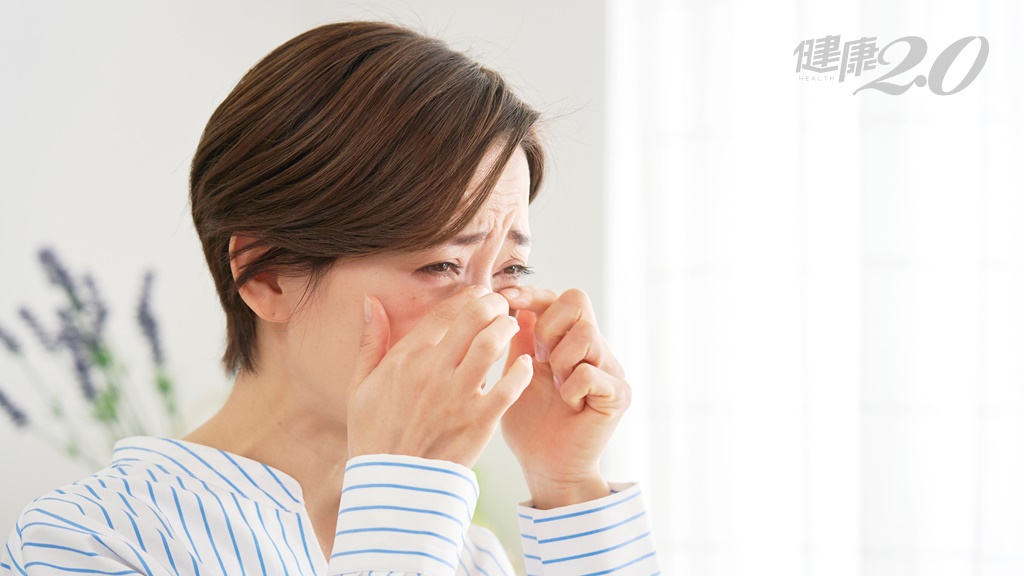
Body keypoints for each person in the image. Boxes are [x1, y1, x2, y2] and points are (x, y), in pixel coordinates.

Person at [1, 21, 659, 575]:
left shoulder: (469, 556)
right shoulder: (90, 543)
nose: (492, 319)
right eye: (440, 264)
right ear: (265, 275)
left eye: (512, 267)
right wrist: (403, 505)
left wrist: (567, 485)